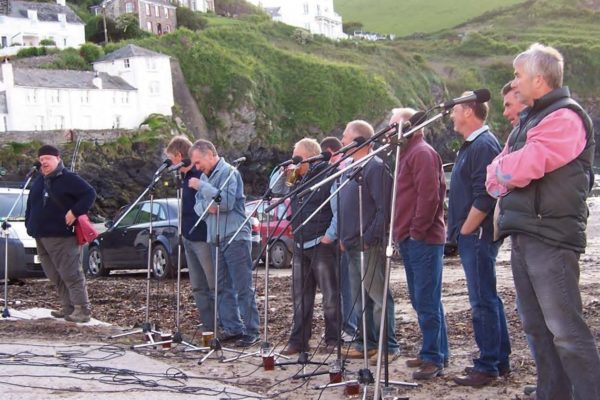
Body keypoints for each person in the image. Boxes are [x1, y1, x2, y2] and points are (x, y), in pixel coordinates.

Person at [486, 43, 600, 399]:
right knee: (536, 327)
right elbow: (495, 176)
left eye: (518, 75)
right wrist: (504, 171)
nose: (514, 82)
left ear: (538, 79)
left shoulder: (564, 117)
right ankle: (551, 394)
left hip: (550, 236)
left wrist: (505, 171)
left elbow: (524, 166)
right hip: (525, 233)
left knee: (565, 329)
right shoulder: (530, 121)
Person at [447, 96, 511, 387]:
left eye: (455, 110)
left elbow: (486, 194)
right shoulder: (474, 144)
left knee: (482, 300)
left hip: (478, 235)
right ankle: (500, 359)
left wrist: (465, 231)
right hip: (475, 234)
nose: (450, 115)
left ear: (469, 112)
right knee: (487, 297)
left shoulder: (483, 145)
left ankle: (487, 365)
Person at [391, 108, 448, 380]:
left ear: (409, 127)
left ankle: (433, 357)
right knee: (423, 299)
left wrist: (415, 231)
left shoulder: (421, 153)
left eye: (393, 127)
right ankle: (435, 351)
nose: (389, 132)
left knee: (426, 300)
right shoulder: (408, 154)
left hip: (423, 239)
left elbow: (430, 196)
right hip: (412, 237)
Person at [336, 120, 399, 361]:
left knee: (378, 294)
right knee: (359, 297)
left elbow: (385, 208)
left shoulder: (375, 167)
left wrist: (369, 237)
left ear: (359, 140)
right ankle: (367, 342)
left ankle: (389, 346)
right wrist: (344, 236)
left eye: (345, 136)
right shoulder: (350, 166)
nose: (341, 141)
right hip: (351, 243)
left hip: (368, 244)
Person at [271, 138, 339, 355]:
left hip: (321, 243)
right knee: (300, 296)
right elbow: (275, 191)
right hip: (300, 242)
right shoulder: (297, 177)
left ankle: (333, 340)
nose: (294, 160)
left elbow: (338, 208)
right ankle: (299, 341)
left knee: (330, 296)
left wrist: (330, 236)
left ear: (309, 157)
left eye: (297, 156)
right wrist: (283, 172)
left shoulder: (328, 174)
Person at [189, 139, 260, 348]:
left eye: (198, 162)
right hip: (215, 237)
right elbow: (198, 208)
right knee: (221, 287)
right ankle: (232, 327)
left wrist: (204, 188)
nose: (197, 167)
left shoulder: (230, 173)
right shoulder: (204, 176)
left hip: (236, 236)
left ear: (210, 154)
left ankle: (252, 330)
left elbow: (226, 203)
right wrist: (210, 201)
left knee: (242, 285)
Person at [25, 144, 96, 323]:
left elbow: (89, 193)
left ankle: (82, 309)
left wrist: (75, 211)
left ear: (57, 158)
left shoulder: (69, 178)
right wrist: (29, 224)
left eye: (47, 159)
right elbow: (31, 204)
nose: (44, 163)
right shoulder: (39, 179)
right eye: (41, 160)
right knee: (54, 274)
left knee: (71, 273)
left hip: (61, 235)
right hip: (40, 235)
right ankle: (68, 307)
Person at [165, 136, 215, 333]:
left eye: (171, 159)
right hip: (187, 235)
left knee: (212, 284)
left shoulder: (199, 175)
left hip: (203, 236)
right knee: (197, 285)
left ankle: (220, 323)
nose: (170, 163)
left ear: (179, 156)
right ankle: (207, 323)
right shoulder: (184, 178)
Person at [320, 136, 357, 343]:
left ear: (332, 153)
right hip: (338, 236)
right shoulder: (334, 172)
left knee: (346, 287)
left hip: (343, 237)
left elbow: (341, 208)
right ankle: (348, 327)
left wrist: (332, 235)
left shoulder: (344, 170)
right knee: (341, 286)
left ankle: (350, 328)